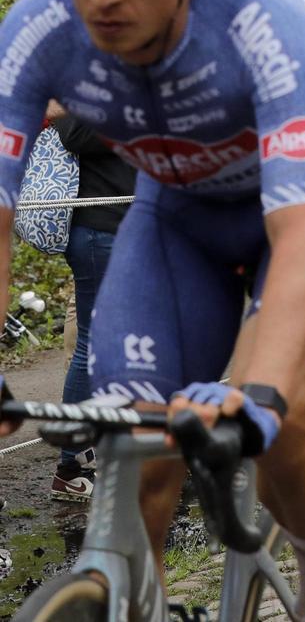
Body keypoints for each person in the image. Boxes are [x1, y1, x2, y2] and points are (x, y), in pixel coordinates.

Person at [0, 0, 305, 621]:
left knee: (282, 422)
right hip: (177, 220)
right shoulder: (38, 29)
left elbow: (303, 236)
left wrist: (259, 399)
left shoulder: (260, 16)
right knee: (138, 454)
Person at [48, 101, 136, 501]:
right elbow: (75, 133)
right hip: (100, 229)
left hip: (126, 224)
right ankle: (72, 463)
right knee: (93, 344)